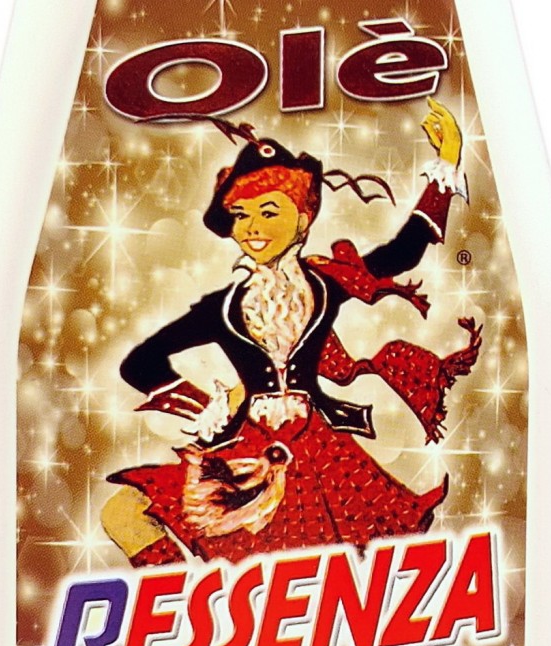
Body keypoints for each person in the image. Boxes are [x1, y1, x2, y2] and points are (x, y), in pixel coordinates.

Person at [101, 97, 483, 570]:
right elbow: (139, 364)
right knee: (124, 511)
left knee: (328, 558)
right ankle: (183, 596)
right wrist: (214, 407)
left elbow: (402, 253)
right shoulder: (221, 308)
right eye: (241, 215)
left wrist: (447, 163)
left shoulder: (327, 284)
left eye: (268, 212)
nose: (253, 228)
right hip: (244, 448)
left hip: (321, 454)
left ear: (302, 220)